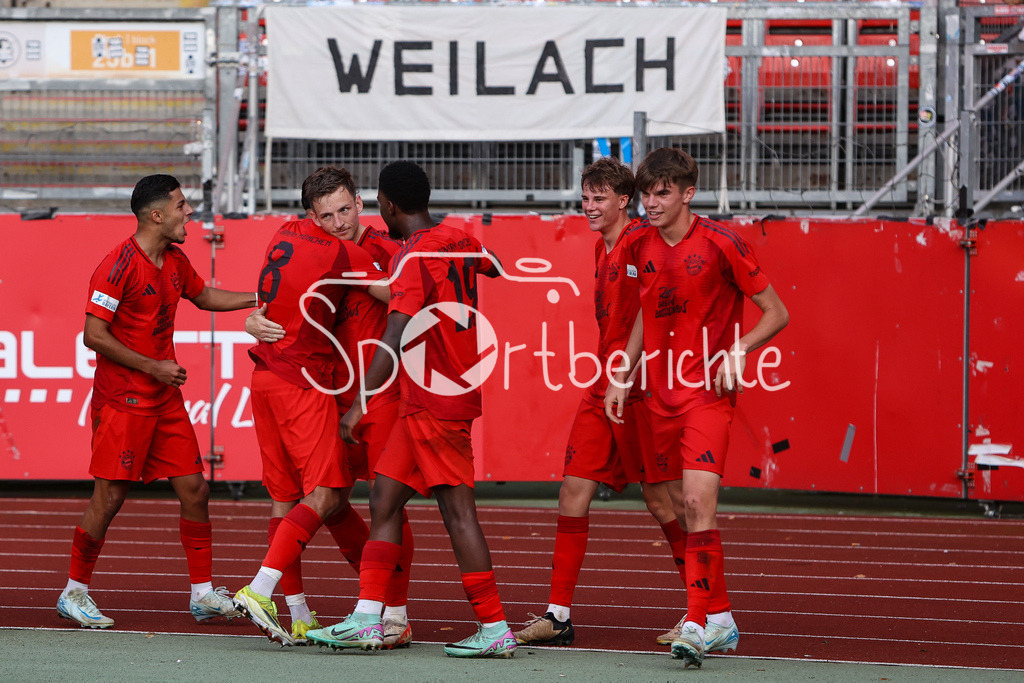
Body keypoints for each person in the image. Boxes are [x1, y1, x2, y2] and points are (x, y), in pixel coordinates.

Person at [305, 160, 516, 658]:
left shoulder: (414, 257)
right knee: (383, 499)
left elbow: (394, 336)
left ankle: (494, 626)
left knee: (457, 512)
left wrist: (360, 402)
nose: (377, 207)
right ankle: (367, 619)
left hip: (435, 397)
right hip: (432, 392)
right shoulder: (459, 238)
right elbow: (498, 265)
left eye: (378, 200)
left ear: (390, 205)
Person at [604, 148, 789, 668]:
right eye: (646, 193)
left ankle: (696, 621)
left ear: (688, 193)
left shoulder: (723, 241)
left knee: (694, 503)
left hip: (706, 396)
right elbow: (645, 309)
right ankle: (721, 617)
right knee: (664, 506)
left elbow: (777, 313)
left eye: (662, 192)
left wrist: (739, 348)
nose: (651, 202)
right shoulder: (639, 243)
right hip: (656, 396)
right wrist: (623, 373)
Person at [59, 174, 254, 629]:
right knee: (109, 498)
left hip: (163, 397)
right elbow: (93, 335)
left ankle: (202, 595)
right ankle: (74, 592)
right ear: (157, 215)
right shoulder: (116, 266)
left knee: (196, 491)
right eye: (182, 206)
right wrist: (153, 366)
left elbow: (203, 295)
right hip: (123, 399)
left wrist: (260, 297)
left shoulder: (174, 259)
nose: (190, 213)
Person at [513, 157, 691, 647]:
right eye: (586, 198)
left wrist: (633, 370)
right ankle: (558, 614)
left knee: (663, 500)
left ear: (623, 201)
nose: (589, 207)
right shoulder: (601, 247)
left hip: (639, 387)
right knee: (572, 492)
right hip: (602, 386)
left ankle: (701, 611)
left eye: (599, 199)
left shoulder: (642, 242)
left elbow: (660, 306)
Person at [245, 166, 413, 648]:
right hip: (325, 394)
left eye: (345, 209)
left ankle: (393, 615)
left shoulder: (385, 253)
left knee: (387, 504)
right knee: (330, 500)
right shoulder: (311, 243)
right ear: (310, 215)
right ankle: (328, 608)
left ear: (361, 204)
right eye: (328, 214)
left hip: (377, 397)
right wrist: (255, 316)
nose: (339, 221)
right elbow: (278, 294)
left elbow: (414, 301)